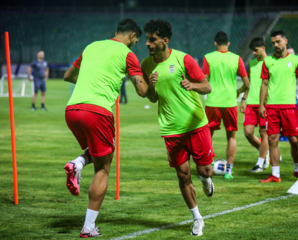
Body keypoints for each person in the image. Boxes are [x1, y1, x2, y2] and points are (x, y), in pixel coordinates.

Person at [63, 18, 148, 238]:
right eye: (136, 40)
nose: (135, 44)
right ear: (131, 36)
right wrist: (153, 81)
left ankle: (79, 162)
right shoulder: (128, 54)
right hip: (97, 112)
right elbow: (141, 91)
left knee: (101, 152)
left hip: (72, 110)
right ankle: (88, 227)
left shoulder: (91, 46)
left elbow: (68, 76)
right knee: (103, 168)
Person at [141, 20, 214, 237]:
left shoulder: (183, 59)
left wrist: (193, 85)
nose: (147, 43)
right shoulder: (147, 65)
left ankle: (206, 178)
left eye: (152, 40)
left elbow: (206, 86)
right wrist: (151, 87)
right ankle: (197, 219)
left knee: (204, 170)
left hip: (196, 125)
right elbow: (153, 98)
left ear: (165, 41)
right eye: (146, 39)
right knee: (183, 176)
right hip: (171, 128)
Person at [259, 30, 298, 183]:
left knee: (294, 140)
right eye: (273, 43)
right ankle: (275, 174)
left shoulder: (295, 60)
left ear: (286, 41)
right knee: (272, 139)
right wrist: (262, 105)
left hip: (289, 107)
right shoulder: (268, 62)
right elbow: (265, 84)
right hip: (272, 107)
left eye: (278, 42)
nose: (275, 45)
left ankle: (297, 169)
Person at [202, 31, 250, 179]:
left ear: (215, 43)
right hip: (230, 102)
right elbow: (247, 84)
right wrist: (238, 92)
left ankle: (207, 168)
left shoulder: (208, 58)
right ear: (228, 43)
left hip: (212, 102)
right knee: (231, 137)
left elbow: (204, 80)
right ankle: (228, 171)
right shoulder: (237, 59)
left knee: (208, 136)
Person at [240, 37, 269, 172]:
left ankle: (260, 162)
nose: (254, 53)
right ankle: (264, 150)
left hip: (265, 104)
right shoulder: (251, 63)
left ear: (263, 48)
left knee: (264, 133)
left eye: (256, 50)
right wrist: (244, 99)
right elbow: (249, 84)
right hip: (251, 103)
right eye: (252, 51)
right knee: (247, 132)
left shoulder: (270, 63)